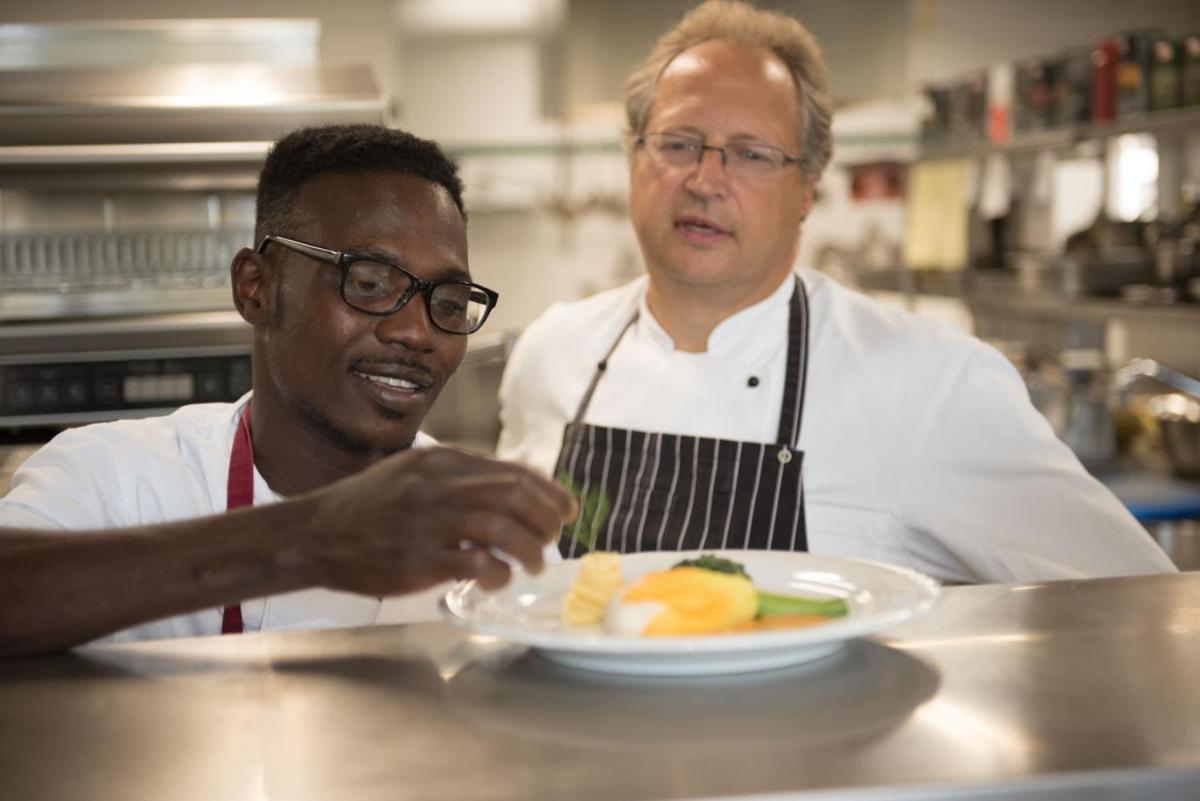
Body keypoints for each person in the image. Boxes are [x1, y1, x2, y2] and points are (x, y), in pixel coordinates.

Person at [496, 1, 1174, 583]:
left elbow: (1140, 600)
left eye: (752, 153)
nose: (705, 178)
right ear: (633, 157)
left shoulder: (929, 384)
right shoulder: (554, 352)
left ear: (807, 192)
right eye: (678, 143)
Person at [0, 125, 575, 659]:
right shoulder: (115, 478)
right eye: (370, 283)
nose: (416, 332)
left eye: (447, 304)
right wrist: (303, 541)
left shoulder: (490, 531)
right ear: (257, 289)